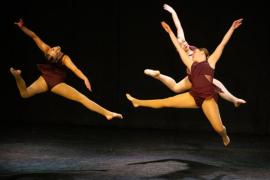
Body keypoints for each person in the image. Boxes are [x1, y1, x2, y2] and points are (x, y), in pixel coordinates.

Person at [127, 18, 243, 146]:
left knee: (218, 128)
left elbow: (222, 44)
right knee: (166, 102)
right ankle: (137, 102)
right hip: (193, 96)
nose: (195, 52)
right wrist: (170, 32)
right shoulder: (190, 64)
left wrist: (232, 28)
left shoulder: (211, 62)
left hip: (207, 99)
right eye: (196, 51)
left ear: (205, 55)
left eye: (199, 52)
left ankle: (224, 135)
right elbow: (178, 47)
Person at [10, 19, 123, 120]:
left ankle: (17, 76)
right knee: (81, 98)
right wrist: (85, 78)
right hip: (54, 82)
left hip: (46, 78)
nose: (54, 48)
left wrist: (22, 27)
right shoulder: (64, 58)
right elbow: (75, 69)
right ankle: (107, 113)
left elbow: (34, 36)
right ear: (56, 55)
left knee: (24, 94)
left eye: (53, 49)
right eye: (54, 50)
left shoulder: (47, 50)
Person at [144, 4, 246, 107]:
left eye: (184, 41)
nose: (184, 43)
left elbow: (178, 26)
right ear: (179, 48)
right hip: (196, 77)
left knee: (175, 87)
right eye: (182, 44)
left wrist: (173, 12)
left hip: (192, 76)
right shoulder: (188, 57)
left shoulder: (187, 46)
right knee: (216, 84)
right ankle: (234, 100)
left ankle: (158, 75)